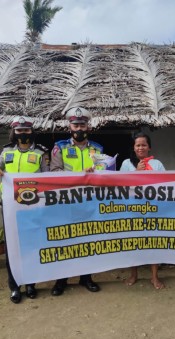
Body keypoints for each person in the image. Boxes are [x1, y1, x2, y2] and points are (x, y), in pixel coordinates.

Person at [0, 116, 50, 303]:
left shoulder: (41, 153)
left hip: (32, 206)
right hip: (9, 205)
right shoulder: (6, 151)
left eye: (26, 130)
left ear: (32, 132)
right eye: (19, 131)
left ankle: (31, 283)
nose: (23, 134)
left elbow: (47, 179)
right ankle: (15, 286)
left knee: (31, 244)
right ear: (14, 133)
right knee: (12, 246)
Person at [50, 107, 102, 296]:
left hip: (89, 202)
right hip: (67, 201)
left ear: (88, 126)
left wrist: (97, 173)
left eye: (82, 124)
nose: (79, 127)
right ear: (69, 126)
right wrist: (79, 176)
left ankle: (86, 277)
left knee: (87, 240)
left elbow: (104, 174)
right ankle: (61, 280)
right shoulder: (60, 147)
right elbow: (54, 172)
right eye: (75, 124)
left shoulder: (97, 148)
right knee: (65, 240)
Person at [120, 132, 165, 289]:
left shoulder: (157, 164)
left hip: (152, 209)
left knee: (153, 243)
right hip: (132, 209)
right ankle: (134, 274)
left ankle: (154, 277)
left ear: (149, 147)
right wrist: (136, 173)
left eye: (143, 145)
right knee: (134, 243)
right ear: (134, 147)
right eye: (138, 145)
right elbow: (120, 185)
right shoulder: (126, 164)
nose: (141, 148)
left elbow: (166, 184)